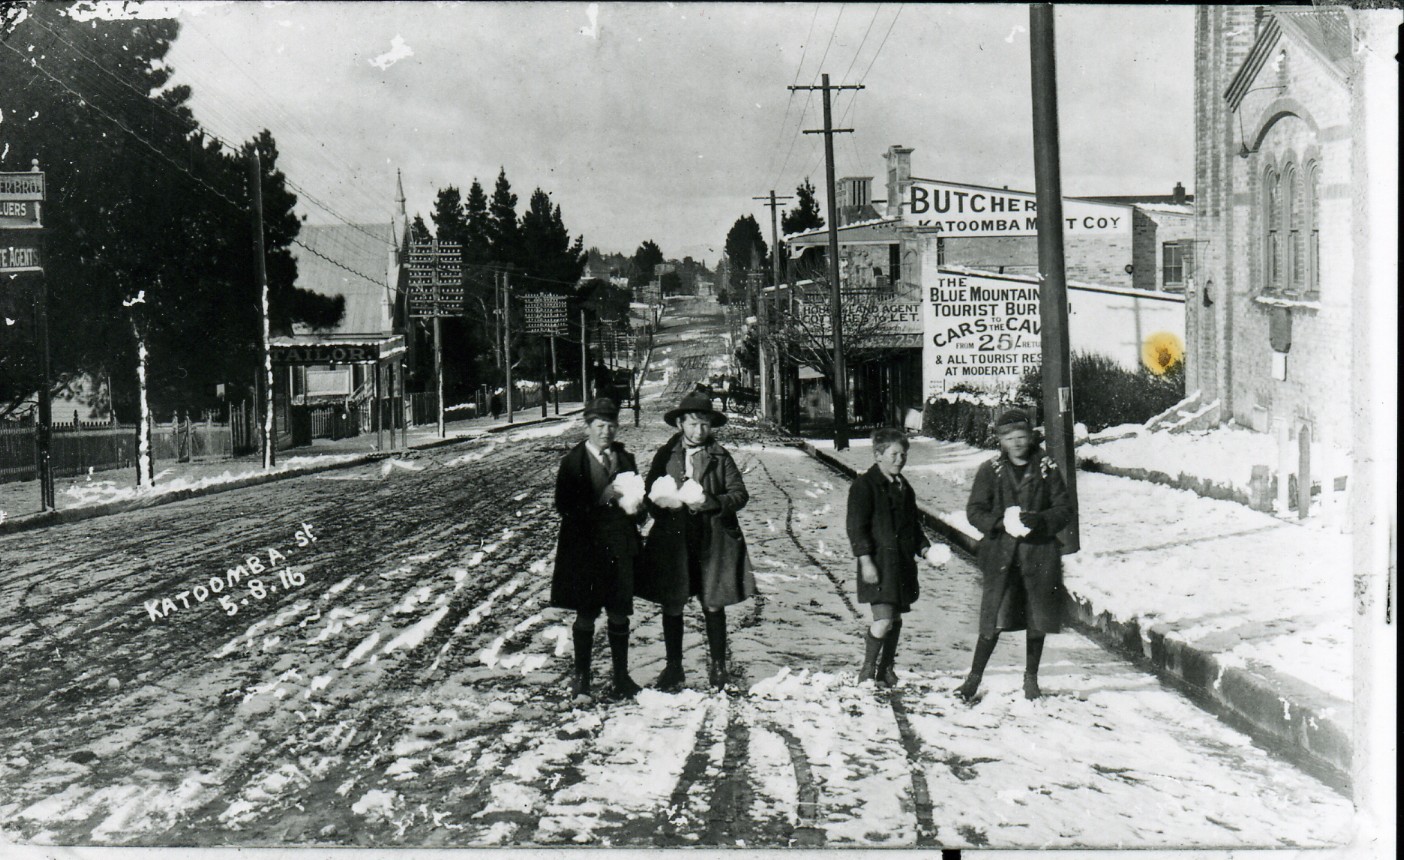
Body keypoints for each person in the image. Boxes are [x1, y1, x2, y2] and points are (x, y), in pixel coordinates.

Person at [638, 391, 756, 691]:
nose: (698, 431)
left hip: (712, 539)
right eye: (692, 424)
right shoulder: (666, 455)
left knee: (713, 602)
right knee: (673, 602)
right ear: (680, 424)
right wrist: (660, 503)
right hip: (673, 540)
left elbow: (739, 495)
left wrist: (711, 501)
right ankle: (674, 666)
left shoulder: (720, 456)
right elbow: (651, 491)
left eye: (704, 424)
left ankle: (718, 667)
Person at [956, 408, 1072, 701]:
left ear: (1030, 436)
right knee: (994, 619)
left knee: (1037, 619)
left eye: (1022, 436)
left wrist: (1041, 520)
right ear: (1001, 440)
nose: (1018, 442)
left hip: (1040, 555)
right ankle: (974, 677)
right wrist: (998, 523)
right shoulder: (990, 470)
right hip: (1002, 558)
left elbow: (1063, 508)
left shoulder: (1046, 468)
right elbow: (974, 510)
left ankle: (1030, 679)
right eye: (1010, 437)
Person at [550, 397, 646, 701]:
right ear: (588, 426)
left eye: (611, 425)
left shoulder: (625, 459)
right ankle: (582, 678)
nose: (606, 431)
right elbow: (563, 506)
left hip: (619, 546)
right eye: (600, 425)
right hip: (586, 549)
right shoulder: (573, 462)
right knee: (586, 613)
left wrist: (639, 508)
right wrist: (600, 498)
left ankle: (621, 677)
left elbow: (638, 499)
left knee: (619, 613)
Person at [846, 427, 946, 687]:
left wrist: (926, 550)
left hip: (900, 565)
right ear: (878, 455)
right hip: (878, 564)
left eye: (904, 454)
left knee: (895, 619)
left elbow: (913, 527)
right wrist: (865, 560)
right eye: (894, 454)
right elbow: (856, 527)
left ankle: (886, 669)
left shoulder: (904, 487)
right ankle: (868, 669)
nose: (899, 460)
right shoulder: (864, 486)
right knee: (883, 619)